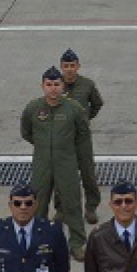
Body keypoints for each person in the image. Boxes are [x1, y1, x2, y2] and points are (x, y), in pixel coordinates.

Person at [21, 66, 92, 261]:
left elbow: (82, 134)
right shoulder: (33, 108)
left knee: (72, 203)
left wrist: (64, 149)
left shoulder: (74, 109)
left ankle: (77, 243)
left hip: (66, 162)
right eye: (49, 84)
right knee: (38, 204)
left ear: (63, 86)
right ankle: (38, 243)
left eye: (57, 84)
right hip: (41, 163)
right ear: (42, 86)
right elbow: (26, 132)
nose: (53, 88)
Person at [58, 48, 104, 226]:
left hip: (82, 138)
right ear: (62, 67)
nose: (69, 69)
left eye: (72, 65)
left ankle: (91, 207)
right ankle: (61, 208)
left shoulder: (87, 85)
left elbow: (97, 103)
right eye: (66, 66)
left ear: (78, 66)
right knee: (62, 175)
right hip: (62, 138)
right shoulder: (56, 85)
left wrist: (85, 119)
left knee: (88, 173)